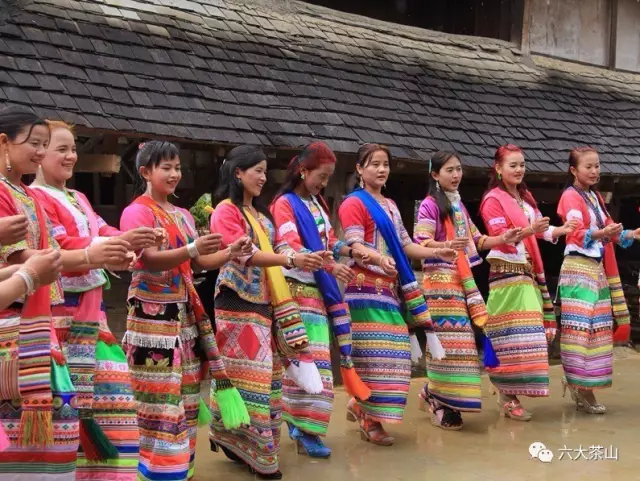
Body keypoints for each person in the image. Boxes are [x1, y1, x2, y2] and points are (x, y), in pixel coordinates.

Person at [0, 106, 131, 479]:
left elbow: (51, 252)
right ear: (4, 143)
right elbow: (28, 257)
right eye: (35, 144)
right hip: (17, 324)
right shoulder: (11, 194)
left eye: (46, 144)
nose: (41, 152)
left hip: (38, 320)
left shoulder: (32, 195)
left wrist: (116, 245)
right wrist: (89, 256)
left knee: (61, 430)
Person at [31, 121, 164, 479]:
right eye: (61, 149)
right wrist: (110, 246)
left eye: (73, 149)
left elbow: (102, 229)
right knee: (72, 403)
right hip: (64, 311)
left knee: (113, 404)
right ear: (40, 154)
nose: (71, 156)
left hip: (94, 311)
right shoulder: (36, 198)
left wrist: (129, 239)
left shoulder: (78, 198)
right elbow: (61, 244)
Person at [120, 140, 251, 481]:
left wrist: (230, 252)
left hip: (185, 315)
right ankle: (156, 470)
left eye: (177, 167)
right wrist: (193, 248)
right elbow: (148, 260)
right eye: (166, 168)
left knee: (188, 393)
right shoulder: (137, 212)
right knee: (159, 395)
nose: (174, 174)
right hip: (152, 318)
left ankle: (182, 467)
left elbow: (198, 262)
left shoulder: (183, 215)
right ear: (145, 172)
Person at [210, 145, 324, 479]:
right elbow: (245, 256)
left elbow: (277, 248)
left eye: (264, 171)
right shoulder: (225, 211)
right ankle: (258, 454)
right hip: (236, 301)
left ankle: (239, 441)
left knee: (268, 380)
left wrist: (306, 254)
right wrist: (290, 259)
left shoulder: (261, 215)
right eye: (257, 171)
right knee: (249, 379)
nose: (263, 177)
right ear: (238, 173)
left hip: (265, 303)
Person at [338, 143, 456, 446]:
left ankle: (360, 405)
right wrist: (378, 259)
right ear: (359, 169)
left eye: (385, 164)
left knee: (396, 359)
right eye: (374, 164)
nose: (381, 169)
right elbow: (354, 245)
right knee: (375, 358)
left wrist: (439, 251)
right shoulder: (354, 203)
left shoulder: (390, 205)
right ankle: (369, 417)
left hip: (389, 291)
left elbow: (405, 245)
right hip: (364, 291)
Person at [270, 142, 371, 457]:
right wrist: (329, 265)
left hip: (317, 295)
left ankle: (305, 428)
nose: (324, 183)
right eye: (322, 176)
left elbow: (329, 242)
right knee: (301, 362)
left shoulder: (317, 203)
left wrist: (351, 251)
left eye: (328, 178)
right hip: (294, 293)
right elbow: (289, 245)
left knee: (320, 366)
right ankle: (301, 428)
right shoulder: (284, 204)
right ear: (303, 171)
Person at [414, 151, 521, 430]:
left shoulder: (458, 205)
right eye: (449, 170)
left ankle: (434, 393)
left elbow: (478, 240)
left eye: (458, 169)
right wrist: (446, 246)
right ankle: (438, 399)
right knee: (448, 343)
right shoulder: (429, 205)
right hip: (439, 281)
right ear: (435, 175)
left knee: (461, 345)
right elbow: (421, 240)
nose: (456, 175)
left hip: (460, 280)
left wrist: (503, 237)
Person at [479, 144, 576, 421]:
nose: (519, 169)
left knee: (529, 337)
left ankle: (511, 392)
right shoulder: (492, 200)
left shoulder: (524, 197)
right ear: (498, 168)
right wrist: (530, 230)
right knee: (510, 336)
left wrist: (560, 230)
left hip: (527, 274)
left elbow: (539, 231)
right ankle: (507, 395)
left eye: (522, 164)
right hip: (506, 275)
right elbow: (502, 235)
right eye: (513, 165)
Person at [557, 147, 640, 413]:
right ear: (573, 170)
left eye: (597, 166)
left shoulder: (593, 197)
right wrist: (603, 232)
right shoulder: (570, 196)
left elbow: (610, 230)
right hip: (578, 269)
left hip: (596, 269)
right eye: (588, 167)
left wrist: (631, 234)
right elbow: (575, 234)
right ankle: (580, 386)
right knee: (581, 329)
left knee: (599, 330)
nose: (594, 171)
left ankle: (584, 385)